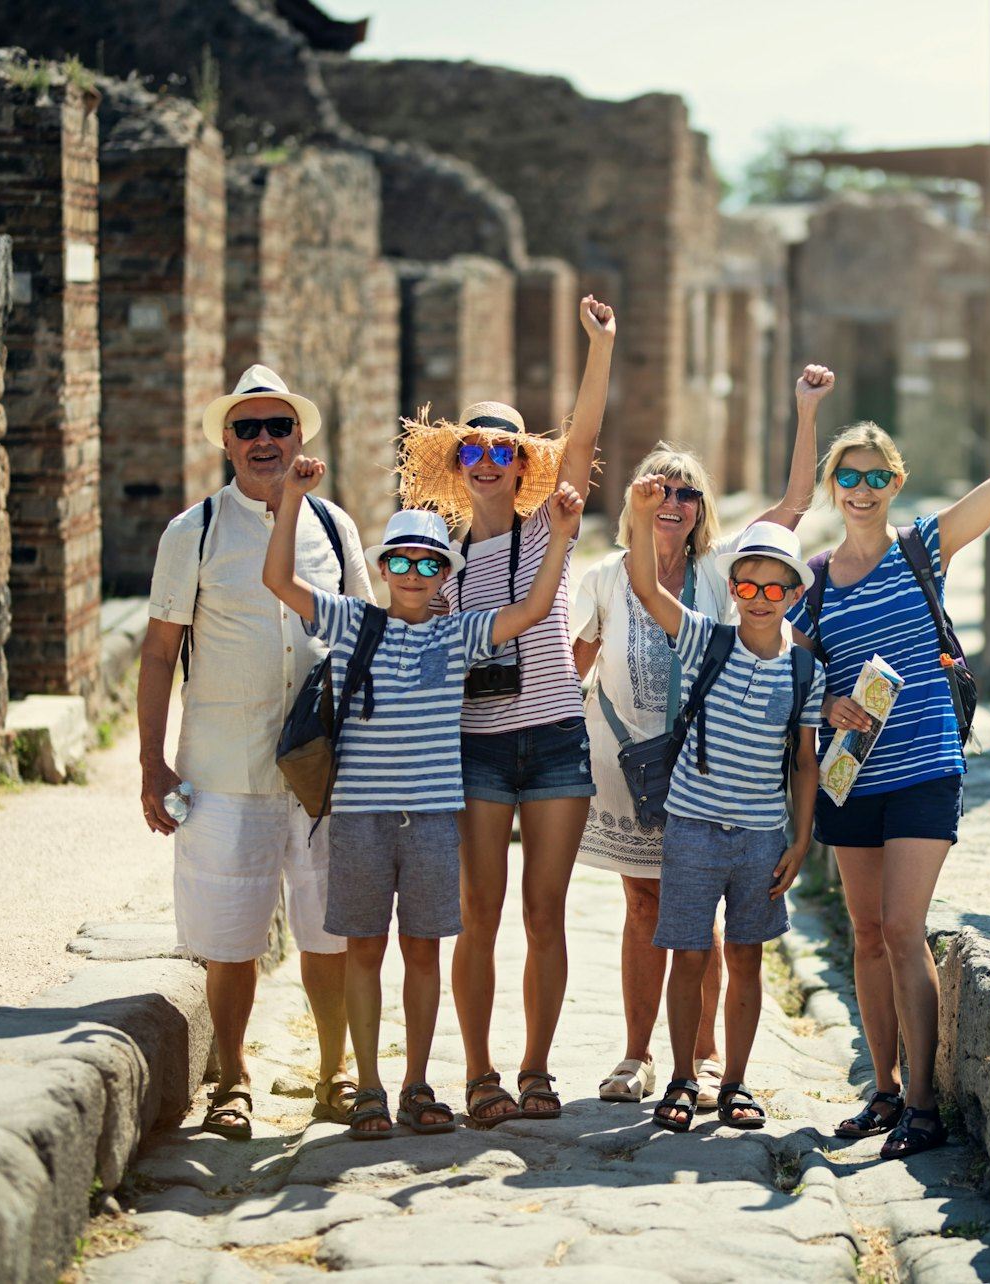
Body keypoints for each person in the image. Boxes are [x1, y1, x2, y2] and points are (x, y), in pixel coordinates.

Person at [262, 453, 585, 1138]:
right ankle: (369, 1086)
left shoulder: (458, 633)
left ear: (445, 574)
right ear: (383, 568)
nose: (413, 574)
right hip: (360, 817)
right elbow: (279, 581)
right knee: (363, 950)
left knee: (423, 952)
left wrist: (559, 537)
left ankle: (415, 1083)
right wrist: (290, 499)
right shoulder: (353, 623)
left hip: (434, 820)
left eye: (428, 563)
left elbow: (532, 611)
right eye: (401, 561)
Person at [787, 337, 990, 1160]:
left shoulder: (921, 547)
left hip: (926, 765)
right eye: (848, 477)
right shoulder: (813, 585)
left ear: (895, 483)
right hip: (850, 776)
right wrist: (824, 702)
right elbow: (786, 677)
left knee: (904, 927)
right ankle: (885, 1090)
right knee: (864, 933)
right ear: (834, 485)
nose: (861, 490)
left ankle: (925, 1109)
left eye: (876, 477)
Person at [573, 366, 834, 1109]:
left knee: (707, 920)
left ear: (702, 510)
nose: (673, 501)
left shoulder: (723, 574)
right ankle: (637, 1054)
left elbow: (794, 504)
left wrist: (805, 409)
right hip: (627, 763)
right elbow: (574, 668)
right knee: (645, 908)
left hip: (711, 770)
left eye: (687, 492)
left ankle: (705, 1055)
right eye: (659, 488)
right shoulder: (606, 577)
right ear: (638, 499)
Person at [395, 295, 615, 1125]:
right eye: (474, 449)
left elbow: (583, 442)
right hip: (478, 748)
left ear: (523, 464)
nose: (488, 461)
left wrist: (600, 345)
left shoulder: (552, 524)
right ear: (459, 464)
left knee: (544, 913)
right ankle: (479, 1073)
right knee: (478, 916)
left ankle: (537, 1069)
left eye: (503, 450)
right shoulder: (440, 556)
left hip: (555, 740)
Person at [138, 365, 371, 1140]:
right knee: (230, 937)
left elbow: (365, 636)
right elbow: (158, 653)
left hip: (323, 769)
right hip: (223, 764)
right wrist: (151, 763)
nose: (264, 440)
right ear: (228, 443)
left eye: (278, 426)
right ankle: (233, 1077)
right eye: (248, 428)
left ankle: (334, 1073)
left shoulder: (334, 527)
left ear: (299, 437)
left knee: (330, 932)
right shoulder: (194, 531)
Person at [625, 499, 825, 1131]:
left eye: (774, 588)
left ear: (794, 594)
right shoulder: (704, 640)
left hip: (762, 837)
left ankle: (735, 1081)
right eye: (747, 585)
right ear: (732, 588)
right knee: (688, 955)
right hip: (692, 829)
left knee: (745, 959)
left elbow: (805, 761)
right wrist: (640, 516)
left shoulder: (806, 669)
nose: (759, 598)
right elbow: (646, 588)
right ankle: (683, 1078)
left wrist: (801, 840)